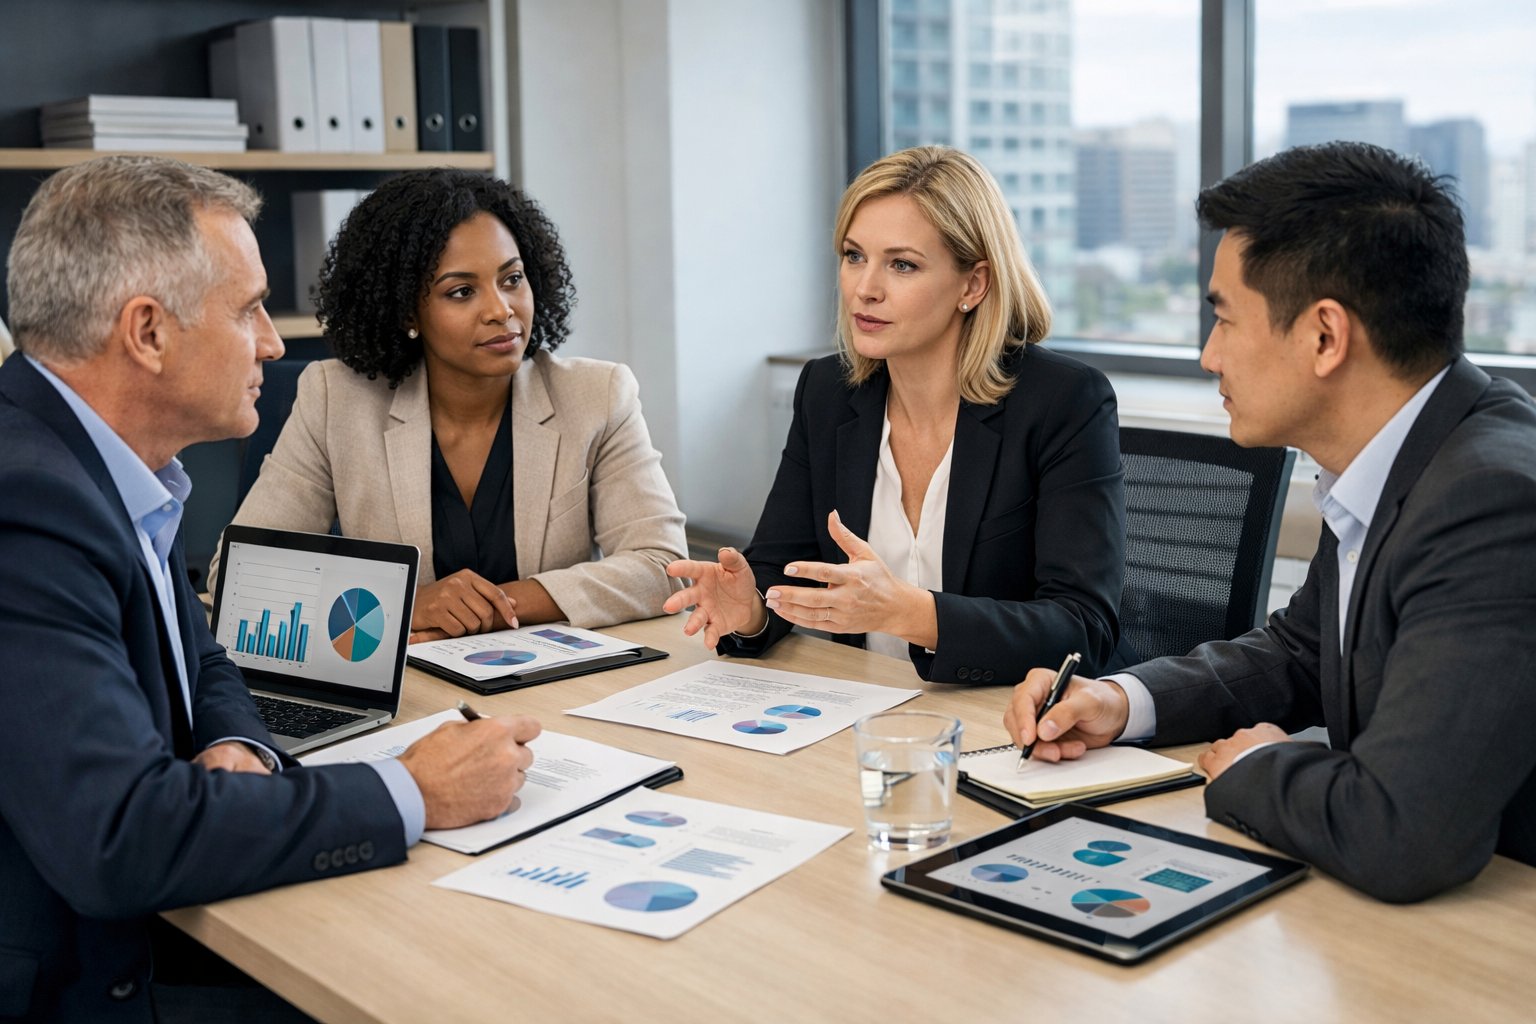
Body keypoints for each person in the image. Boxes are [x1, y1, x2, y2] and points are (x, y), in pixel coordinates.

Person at [0, 155, 540, 1022]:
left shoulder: (105, 468)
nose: (273, 341)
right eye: (247, 308)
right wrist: (413, 790)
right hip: (87, 984)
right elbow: (119, 841)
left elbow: (204, 658)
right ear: (147, 332)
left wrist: (237, 747)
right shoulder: (28, 506)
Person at [1003, 141, 1536, 903]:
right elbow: (1302, 650)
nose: (1207, 356)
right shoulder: (1395, 453)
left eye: (1224, 319)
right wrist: (1123, 702)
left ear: (1325, 336)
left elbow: (1405, 834)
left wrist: (1258, 768)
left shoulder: (1490, 500)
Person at [665, 146, 1129, 683]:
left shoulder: (1063, 401)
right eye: (854, 255)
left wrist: (910, 613)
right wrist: (749, 611)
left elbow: (1083, 630)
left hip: (1004, 723)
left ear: (972, 285)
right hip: (864, 713)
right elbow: (777, 568)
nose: (866, 288)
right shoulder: (828, 391)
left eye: (902, 264)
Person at [210, 168, 686, 642]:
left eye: (512, 279)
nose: (501, 310)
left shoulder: (597, 395)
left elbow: (665, 566)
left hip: (552, 682)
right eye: (461, 291)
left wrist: (498, 608)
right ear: (406, 312)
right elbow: (240, 578)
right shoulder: (338, 401)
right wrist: (407, 604)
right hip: (410, 688)